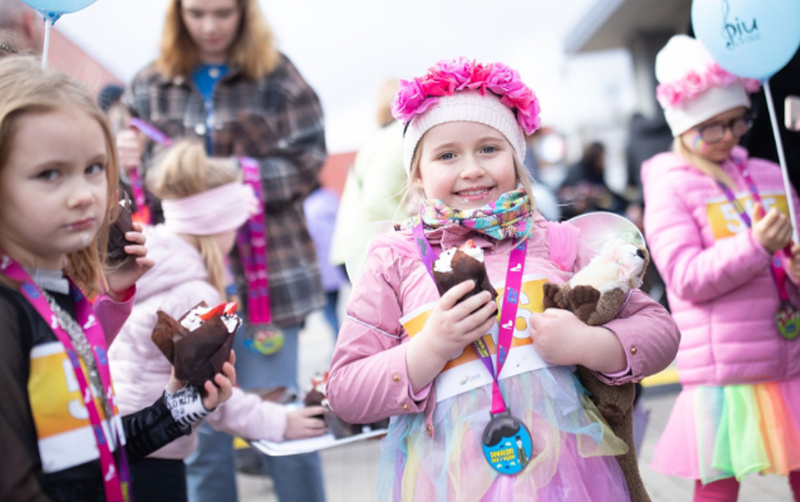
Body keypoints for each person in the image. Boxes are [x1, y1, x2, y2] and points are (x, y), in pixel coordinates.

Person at [326, 57, 680, 501]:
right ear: (417, 174)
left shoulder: (557, 243)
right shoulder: (393, 260)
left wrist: (589, 345)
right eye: (447, 154)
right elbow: (345, 391)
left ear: (516, 158)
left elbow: (661, 332)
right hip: (450, 481)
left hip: (570, 478)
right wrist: (430, 348)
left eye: (489, 149)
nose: (471, 168)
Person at [117, 0, 327, 500]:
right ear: (178, 16)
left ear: (244, 13)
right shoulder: (149, 83)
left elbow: (307, 160)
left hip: (267, 281)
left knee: (280, 411)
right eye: (196, 13)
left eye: (223, 12)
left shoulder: (279, 77)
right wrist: (122, 154)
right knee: (198, 427)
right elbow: (129, 181)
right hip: (182, 272)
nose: (210, 25)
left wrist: (222, 180)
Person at [0, 57, 235, 502]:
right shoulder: (8, 311)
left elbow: (91, 450)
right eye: (50, 173)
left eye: (93, 168)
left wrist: (184, 403)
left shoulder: (57, 295)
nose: (84, 193)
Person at [108, 141, 327, 502]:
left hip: (123, 435)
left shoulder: (149, 262)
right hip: (157, 450)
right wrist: (280, 422)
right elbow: (209, 391)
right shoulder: (195, 293)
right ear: (217, 224)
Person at [644, 35, 800, 501]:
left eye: (738, 121)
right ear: (682, 127)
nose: (729, 136)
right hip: (723, 373)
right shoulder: (670, 185)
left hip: (790, 360)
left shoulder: (774, 175)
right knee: (716, 489)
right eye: (712, 127)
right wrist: (756, 246)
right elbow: (685, 277)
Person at [330, 79, 410, 269]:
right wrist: (413, 236)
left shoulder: (376, 140)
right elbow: (378, 197)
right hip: (369, 249)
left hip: (352, 245)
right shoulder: (397, 139)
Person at [304, 187, 348, 334]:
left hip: (321, 269)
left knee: (329, 311)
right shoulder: (330, 198)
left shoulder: (308, 207)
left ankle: (339, 338)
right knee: (341, 306)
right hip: (338, 261)